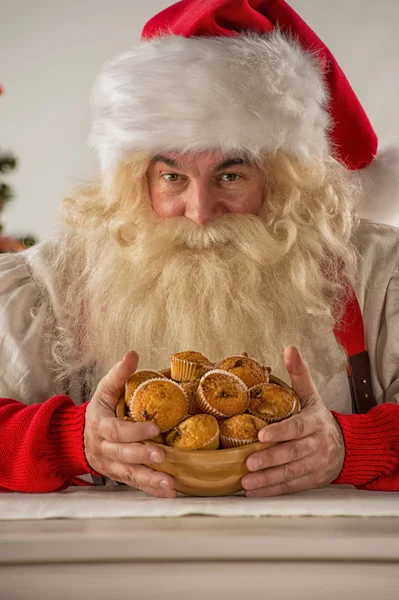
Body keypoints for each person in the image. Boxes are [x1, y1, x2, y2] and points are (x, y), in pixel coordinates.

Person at [1, 0, 399, 497]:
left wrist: (350, 446)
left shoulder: (380, 274)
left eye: (230, 175)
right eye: (172, 177)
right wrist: (68, 440)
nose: (200, 210)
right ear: (135, 179)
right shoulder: (48, 285)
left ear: (282, 181)